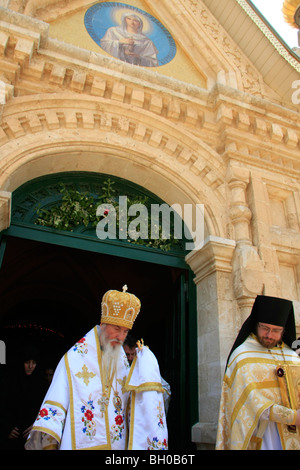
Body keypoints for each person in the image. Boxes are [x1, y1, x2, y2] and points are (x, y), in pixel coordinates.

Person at [25, 285, 168, 450]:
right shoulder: (74, 358)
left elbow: (134, 407)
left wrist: (144, 374)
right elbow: (55, 404)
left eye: (125, 331)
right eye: (116, 329)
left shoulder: (122, 360)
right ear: (103, 324)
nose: (121, 337)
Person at [216, 295, 300, 450]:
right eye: (265, 328)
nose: (269, 335)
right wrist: (293, 417)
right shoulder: (242, 356)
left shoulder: (292, 356)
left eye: (276, 330)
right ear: (256, 324)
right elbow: (251, 401)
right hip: (261, 435)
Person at [0, 344, 47, 450]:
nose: (30, 366)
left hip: (32, 439)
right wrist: (5, 428)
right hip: (10, 440)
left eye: (34, 363)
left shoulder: (41, 384)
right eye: (27, 362)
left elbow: (46, 409)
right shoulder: (7, 382)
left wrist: (37, 425)